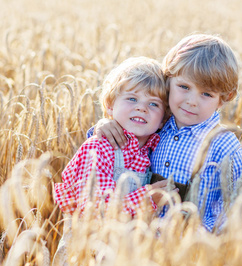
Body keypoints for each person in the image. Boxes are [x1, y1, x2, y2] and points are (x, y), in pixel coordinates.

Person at [89, 34, 242, 232]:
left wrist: (205, 235)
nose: (192, 101)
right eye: (184, 87)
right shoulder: (157, 123)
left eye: (206, 94)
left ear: (225, 98)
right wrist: (104, 126)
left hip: (190, 251)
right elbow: (110, 151)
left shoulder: (222, 144)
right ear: (168, 81)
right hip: (139, 243)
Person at [54, 56, 174, 219]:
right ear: (110, 105)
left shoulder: (155, 150)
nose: (141, 108)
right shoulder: (99, 148)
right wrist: (147, 200)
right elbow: (95, 210)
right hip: (89, 242)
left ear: (164, 119)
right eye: (132, 99)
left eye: (153, 103)